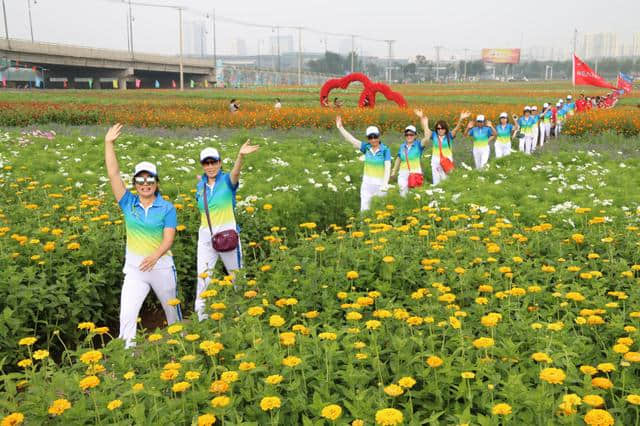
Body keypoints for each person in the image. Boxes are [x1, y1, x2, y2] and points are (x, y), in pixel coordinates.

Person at [103, 123, 181, 348]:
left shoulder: (167, 208)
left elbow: (168, 239)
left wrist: (155, 256)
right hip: (136, 270)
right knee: (126, 318)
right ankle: (126, 361)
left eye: (150, 180)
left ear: (156, 183)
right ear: (135, 183)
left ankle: (181, 351)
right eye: (140, 180)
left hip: (162, 269)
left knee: (172, 314)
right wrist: (108, 143)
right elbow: (113, 173)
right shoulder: (128, 203)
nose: (145, 184)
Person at [194, 142, 259, 321]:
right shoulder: (201, 186)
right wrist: (201, 180)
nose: (210, 166)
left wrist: (240, 156)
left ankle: (244, 317)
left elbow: (236, 173)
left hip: (228, 238)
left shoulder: (227, 181)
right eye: (206, 163)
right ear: (202, 165)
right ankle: (201, 320)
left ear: (220, 163)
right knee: (203, 279)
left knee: (237, 278)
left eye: (213, 162)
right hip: (206, 239)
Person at [336, 116, 391, 211]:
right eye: (370, 137)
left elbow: (387, 167)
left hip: (380, 185)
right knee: (364, 209)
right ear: (368, 138)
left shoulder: (385, 150)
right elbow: (351, 139)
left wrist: (385, 184)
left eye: (375, 137)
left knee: (380, 211)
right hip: (367, 184)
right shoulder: (366, 147)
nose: (373, 140)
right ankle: (363, 226)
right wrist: (340, 127)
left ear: (379, 136)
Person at [423, 111, 469, 184]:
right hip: (436, 160)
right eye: (438, 128)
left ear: (445, 129)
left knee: (446, 180)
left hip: (447, 160)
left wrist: (461, 119)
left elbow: (456, 129)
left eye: (442, 128)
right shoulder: (434, 135)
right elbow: (427, 132)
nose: (440, 130)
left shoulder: (449, 135)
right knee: (436, 181)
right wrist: (425, 122)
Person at [391, 113, 426, 196]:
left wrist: (422, 120)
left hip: (415, 173)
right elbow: (399, 158)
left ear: (415, 136)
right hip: (403, 173)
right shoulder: (402, 146)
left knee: (415, 195)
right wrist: (393, 171)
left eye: (411, 134)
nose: (409, 136)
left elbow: (427, 137)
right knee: (403, 194)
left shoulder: (418, 145)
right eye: (407, 134)